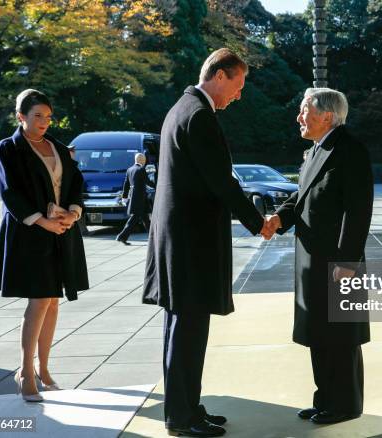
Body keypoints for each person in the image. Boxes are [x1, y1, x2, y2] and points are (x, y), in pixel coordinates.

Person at [142, 48, 266, 437]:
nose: (239, 95)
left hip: (180, 241)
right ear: (220, 75)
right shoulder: (199, 115)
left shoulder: (183, 108)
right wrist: (257, 222)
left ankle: (186, 408)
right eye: (238, 85)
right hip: (189, 244)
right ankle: (182, 417)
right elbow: (221, 181)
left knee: (181, 329)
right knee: (188, 332)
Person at [262, 88, 374, 425]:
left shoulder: (349, 150)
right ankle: (325, 398)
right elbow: (302, 196)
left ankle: (345, 405)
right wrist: (281, 217)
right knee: (319, 334)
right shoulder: (314, 151)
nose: (299, 117)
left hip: (339, 262)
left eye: (304, 110)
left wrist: (347, 262)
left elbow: (358, 213)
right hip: (313, 259)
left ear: (327, 115)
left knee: (341, 337)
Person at [0, 89, 89, 402]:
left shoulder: (58, 147)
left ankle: (44, 370)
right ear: (21, 117)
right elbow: (10, 193)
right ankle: (25, 373)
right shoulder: (9, 149)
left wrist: (73, 212)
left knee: (53, 301)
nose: (44, 122)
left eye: (47, 116)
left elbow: (75, 183)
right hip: (30, 233)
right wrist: (41, 221)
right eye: (36, 116)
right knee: (39, 300)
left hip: (62, 231)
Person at [115, 153, 155, 245]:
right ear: (142, 160)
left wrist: (124, 197)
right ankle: (121, 236)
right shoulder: (141, 169)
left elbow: (126, 184)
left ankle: (153, 238)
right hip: (140, 198)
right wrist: (158, 186)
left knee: (146, 219)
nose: (145, 162)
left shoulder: (130, 169)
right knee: (134, 219)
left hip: (136, 197)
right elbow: (148, 182)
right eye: (144, 160)